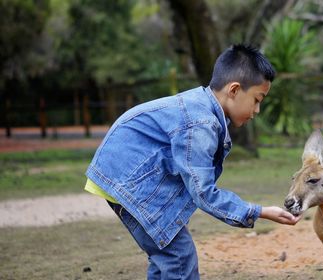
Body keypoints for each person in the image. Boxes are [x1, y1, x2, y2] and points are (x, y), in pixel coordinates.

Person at [84, 44, 301, 279]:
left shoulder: (202, 110)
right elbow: (203, 192)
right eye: (257, 100)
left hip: (122, 176)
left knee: (167, 257)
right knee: (179, 258)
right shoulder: (201, 124)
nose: (257, 110)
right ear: (234, 90)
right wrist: (258, 211)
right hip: (126, 180)